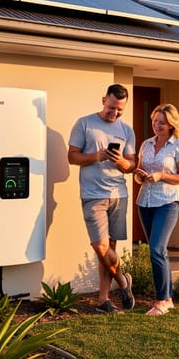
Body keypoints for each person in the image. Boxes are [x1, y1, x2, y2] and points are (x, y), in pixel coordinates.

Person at [67, 84, 137, 313]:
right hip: (92, 194)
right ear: (103, 100)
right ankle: (124, 283)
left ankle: (103, 301)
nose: (114, 113)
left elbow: (131, 165)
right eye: (111, 107)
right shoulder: (84, 123)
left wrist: (121, 162)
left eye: (120, 110)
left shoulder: (126, 130)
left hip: (118, 194)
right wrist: (96, 156)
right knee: (100, 246)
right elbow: (72, 157)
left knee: (110, 249)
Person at [133, 103, 179, 316]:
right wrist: (140, 176)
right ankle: (168, 298)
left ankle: (161, 301)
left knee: (157, 250)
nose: (157, 125)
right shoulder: (146, 144)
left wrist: (161, 176)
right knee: (159, 251)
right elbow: (139, 174)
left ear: (171, 124)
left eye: (162, 122)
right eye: (155, 121)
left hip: (167, 203)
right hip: (145, 202)